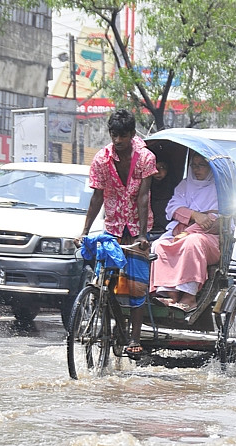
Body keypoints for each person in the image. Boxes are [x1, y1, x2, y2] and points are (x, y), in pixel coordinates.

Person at [78, 109, 158, 357]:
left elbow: (143, 197)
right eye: (114, 135)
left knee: (136, 284)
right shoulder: (102, 159)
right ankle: (108, 322)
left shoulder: (146, 158)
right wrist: (84, 231)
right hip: (112, 225)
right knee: (106, 279)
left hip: (137, 227)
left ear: (132, 134)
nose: (118, 141)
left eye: (123, 135)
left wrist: (143, 235)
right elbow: (97, 196)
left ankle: (134, 337)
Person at [150, 152, 220, 311]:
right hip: (180, 232)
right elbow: (173, 208)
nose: (197, 169)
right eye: (194, 165)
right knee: (159, 245)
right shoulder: (185, 185)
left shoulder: (218, 189)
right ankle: (169, 294)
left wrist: (191, 228)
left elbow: (216, 220)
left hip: (208, 238)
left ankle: (189, 297)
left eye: (201, 165)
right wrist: (195, 215)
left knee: (192, 243)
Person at [148, 157, 176, 241]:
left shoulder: (176, 191)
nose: (157, 171)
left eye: (162, 167)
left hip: (168, 235)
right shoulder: (144, 192)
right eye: (154, 167)